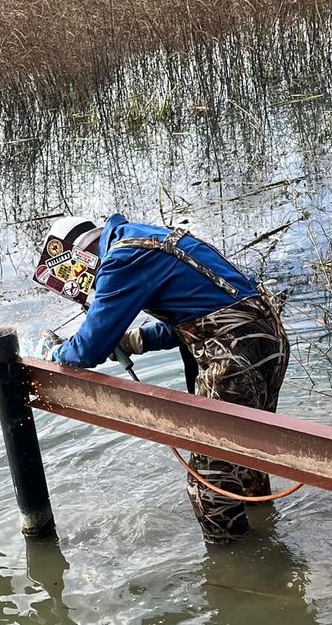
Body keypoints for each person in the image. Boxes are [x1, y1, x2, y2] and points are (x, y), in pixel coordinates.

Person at [34, 213, 290, 543]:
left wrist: (54, 353)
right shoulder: (151, 237)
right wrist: (135, 341)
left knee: (208, 478)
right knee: (244, 454)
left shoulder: (121, 260)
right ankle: (266, 530)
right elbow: (204, 311)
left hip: (234, 358)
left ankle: (237, 567)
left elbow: (86, 351)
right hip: (268, 342)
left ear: (79, 254)